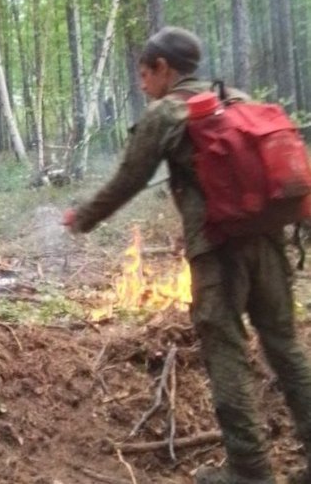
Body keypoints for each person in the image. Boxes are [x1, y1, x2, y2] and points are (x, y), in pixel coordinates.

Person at [62, 26, 311, 484]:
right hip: (269, 241)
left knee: (226, 354)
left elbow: (129, 179)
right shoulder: (236, 98)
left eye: (143, 72)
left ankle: (250, 472)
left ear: (164, 68)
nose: (141, 83)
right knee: (287, 349)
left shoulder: (167, 112)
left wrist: (83, 218)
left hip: (217, 251)